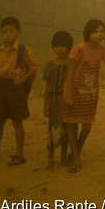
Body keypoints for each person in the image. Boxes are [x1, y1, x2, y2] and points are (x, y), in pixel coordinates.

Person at [0, 17, 38, 167]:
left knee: (17, 121)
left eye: (11, 31)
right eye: (5, 32)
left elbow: (33, 67)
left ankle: (19, 154)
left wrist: (23, 80)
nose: (8, 35)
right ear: (1, 33)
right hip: (0, 86)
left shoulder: (24, 50)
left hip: (15, 87)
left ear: (18, 32)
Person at [62, 18, 105, 173]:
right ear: (88, 33)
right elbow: (70, 72)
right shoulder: (79, 49)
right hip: (74, 91)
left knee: (86, 127)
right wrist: (69, 94)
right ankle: (76, 159)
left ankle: (76, 151)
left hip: (90, 93)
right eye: (95, 31)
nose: (99, 35)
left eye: (102, 32)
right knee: (71, 124)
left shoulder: (101, 49)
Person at [43, 30, 72, 171]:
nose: (59, 48)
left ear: (68, 46)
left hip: (66, 99)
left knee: (65, 129)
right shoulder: (50, 64)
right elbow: (47, 86)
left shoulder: (71, 64)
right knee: (52, 129)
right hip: (53, 100)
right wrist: (45, 105)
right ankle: (50, 160)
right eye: (56, 45)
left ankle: (63, 157)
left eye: (63, 45)